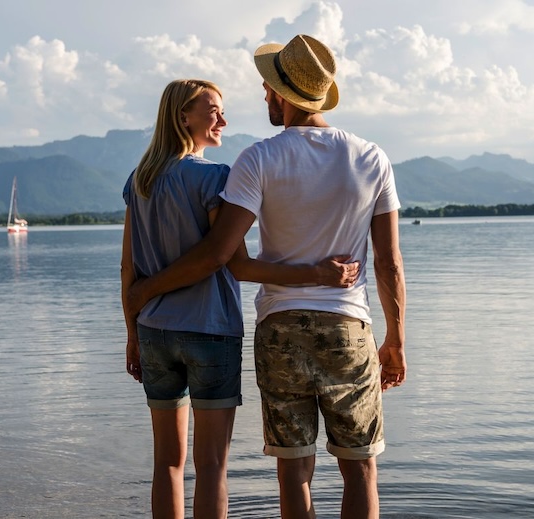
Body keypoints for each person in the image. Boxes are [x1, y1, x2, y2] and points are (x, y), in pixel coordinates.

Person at [127, 35, 406, 519]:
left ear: (282, 94)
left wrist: (143, 296)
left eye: (266, 89)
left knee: (293, 472)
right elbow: (389, 263)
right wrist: (397, 338)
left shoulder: (256, 159)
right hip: (348, 327)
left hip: (277, 329)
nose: (262, 97)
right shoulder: (372, 157)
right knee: (360, 468)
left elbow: (223, 255)